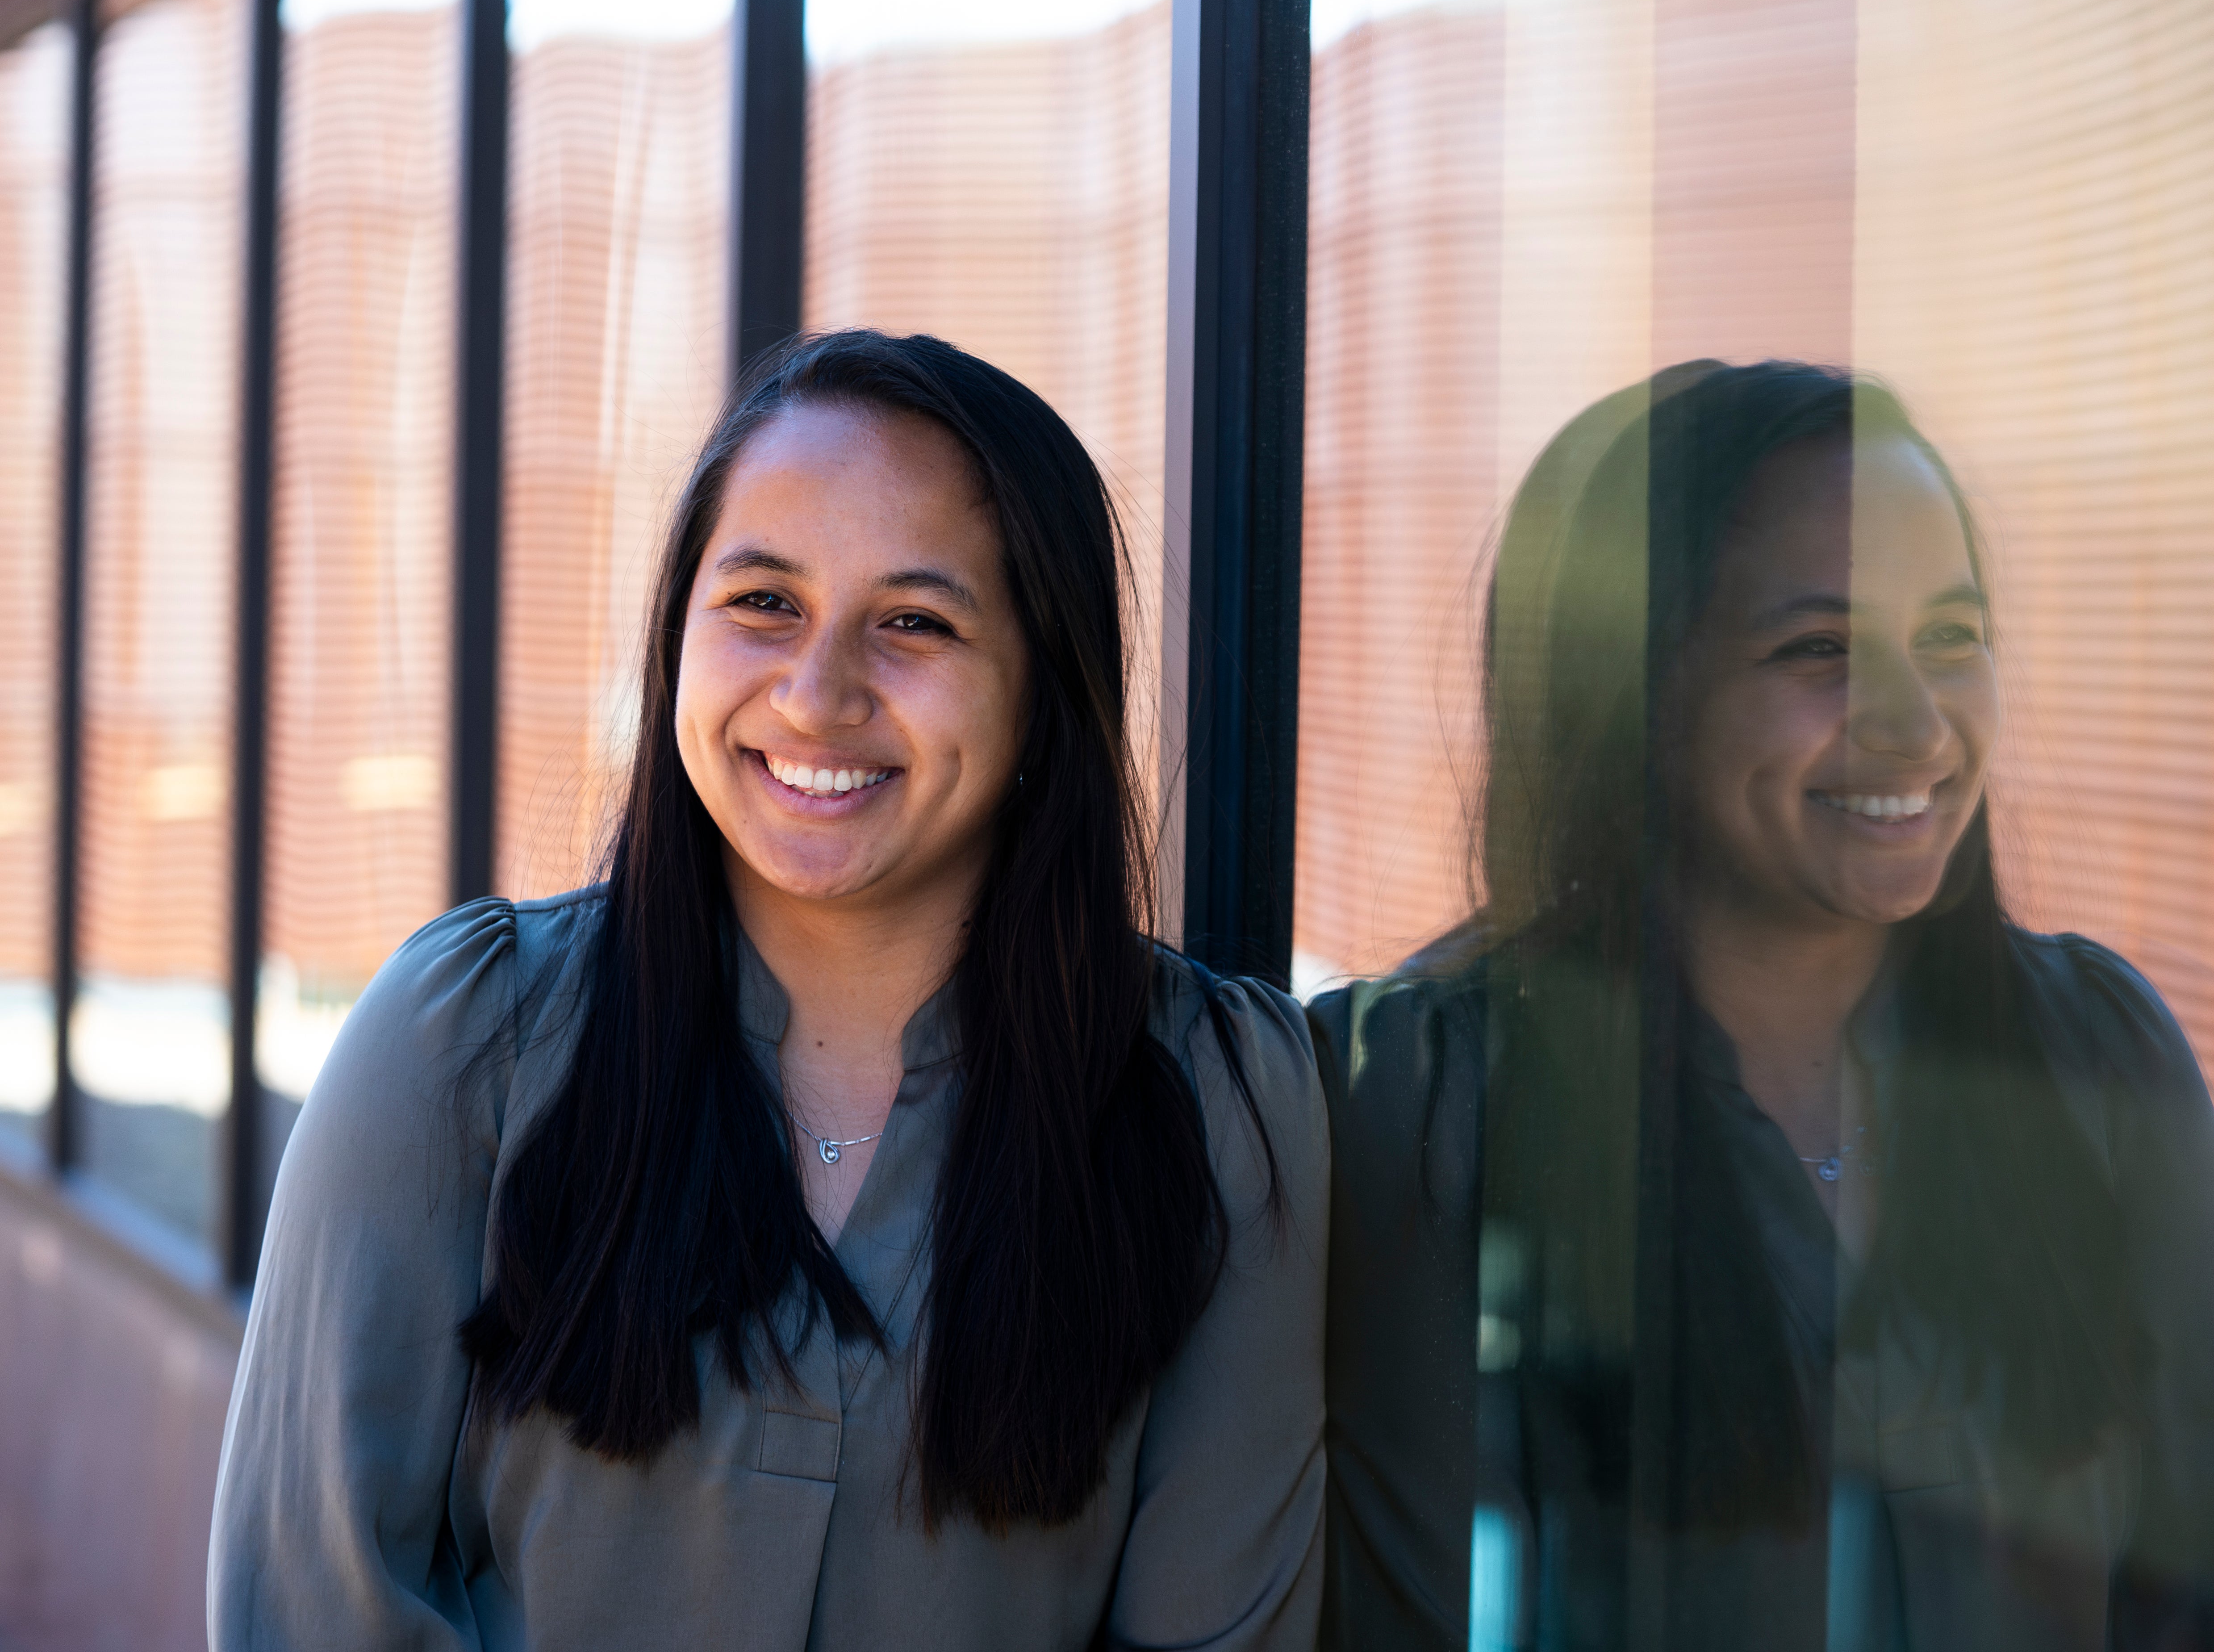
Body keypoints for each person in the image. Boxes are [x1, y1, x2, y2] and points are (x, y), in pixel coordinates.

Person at [209, 330, 1327, 1650]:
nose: (816, 693)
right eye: (764, 604)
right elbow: (312, 1608)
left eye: (915, 622)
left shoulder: (1213, 1105)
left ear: (1044, 689)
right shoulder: (466, 1041)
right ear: (679, 635)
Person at [1312, 361, 2214, 1651]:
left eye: (1952, 638)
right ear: (1629, 698)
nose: (1916, 725)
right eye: (1820, 650)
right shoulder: (1420, 1093)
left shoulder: (2097, 1054)